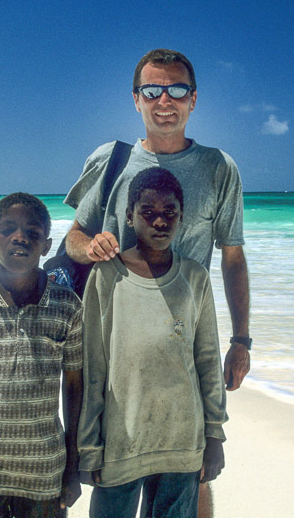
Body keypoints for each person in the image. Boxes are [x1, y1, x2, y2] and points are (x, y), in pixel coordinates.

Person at [63, 48, 251, 516]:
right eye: (153, 90)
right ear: (136, 99)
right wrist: (91, 248)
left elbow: (232, 256)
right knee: (120, 477)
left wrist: (241, 339)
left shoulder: (219, 168)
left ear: (193, 101)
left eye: (177, 90)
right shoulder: (112, 160)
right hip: (120, 343)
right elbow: (72, 237)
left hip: (186, 338)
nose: (164, 100)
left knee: (194, 477)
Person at [79, 167, 227, 518]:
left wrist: (215, 435)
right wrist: (89, 445)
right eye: (148, 212)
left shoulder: (194, 277)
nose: (159, 221)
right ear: (129, 217)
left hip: (182, 443)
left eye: (169, 213)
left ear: (182, 217)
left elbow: (208, 359)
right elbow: (93, 367)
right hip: (121, 443)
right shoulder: (106, 276)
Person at [0, 193, 83, 518]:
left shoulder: (68, 307)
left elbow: (74, 391)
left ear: (47, 245)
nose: (20, 237)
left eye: (32, 231)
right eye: (8, 229)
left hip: (46, 474)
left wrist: (73, 468)